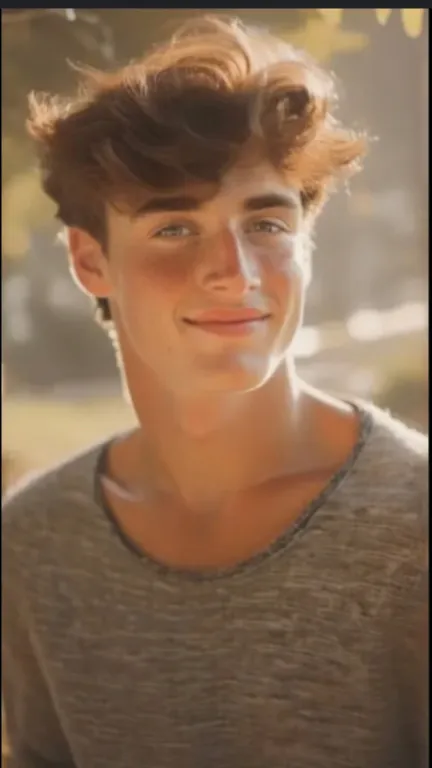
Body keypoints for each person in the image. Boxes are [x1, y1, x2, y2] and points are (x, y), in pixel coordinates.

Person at [2, 15, 427, 768]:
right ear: (91, 261)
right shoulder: (33, 545)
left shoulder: (414, 527)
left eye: (266, 224)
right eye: (174, 228)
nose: (235, 272)